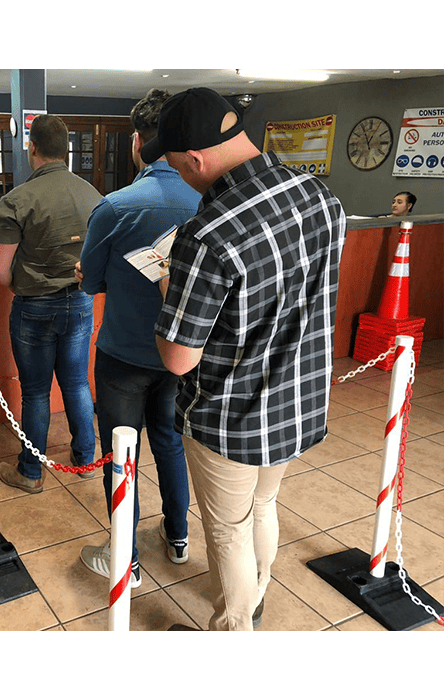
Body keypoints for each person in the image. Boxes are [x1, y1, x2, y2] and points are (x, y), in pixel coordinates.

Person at [142, 88, 346, 630]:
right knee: (262, 506)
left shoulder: (208, 234)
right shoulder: (321, 197)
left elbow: (179, 359)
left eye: (176, 166)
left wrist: (168, 287)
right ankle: (257, 594)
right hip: (297, 399)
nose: (180, 175)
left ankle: (235, 629)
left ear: (195, 159)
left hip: (231, 418)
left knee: (227, 529)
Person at [76, 89, 202, 589]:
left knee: (120, 453)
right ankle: (178, 537)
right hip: (182, 354)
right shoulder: (208, 203)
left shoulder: (114, 207)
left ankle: (124, 558)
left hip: (123, 354)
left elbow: (90, 282)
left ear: (137, 141)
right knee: (170, 442)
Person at [0, 114, 102, 494]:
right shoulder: (93, 195)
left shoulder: (17, 200)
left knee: (36, 392)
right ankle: (86, 460)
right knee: (77, 383)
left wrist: (24, 283)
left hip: (34, 307)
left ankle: (30, 473)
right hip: (80, 303)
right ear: (65, 149)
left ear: (32, 147)